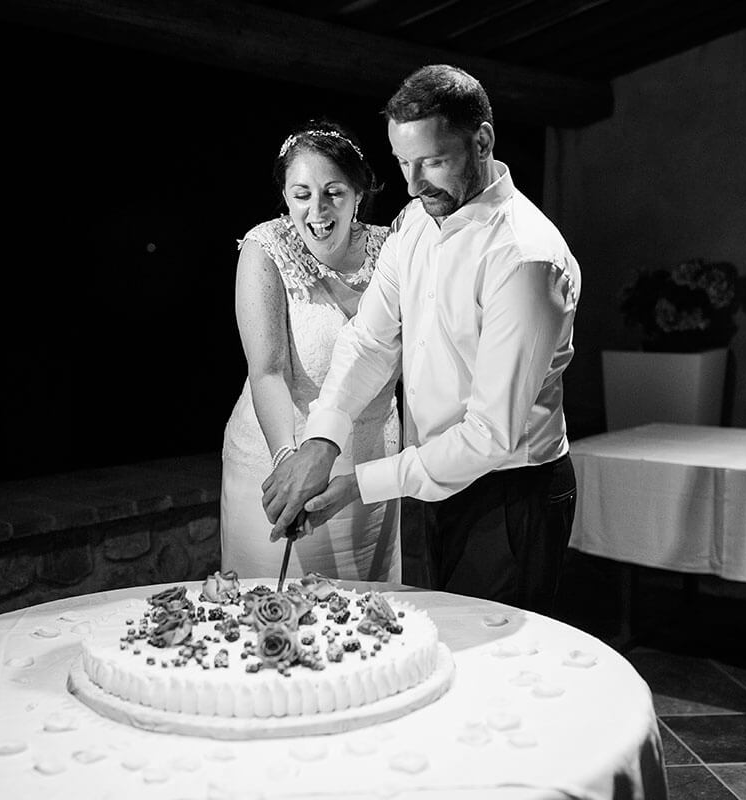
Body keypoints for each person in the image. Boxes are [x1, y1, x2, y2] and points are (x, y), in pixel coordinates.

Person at [261, 65, 581, 613]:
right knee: (437, 653)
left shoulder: (526, 257)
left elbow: (489, 435)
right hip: (427, 485)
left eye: (432, 161)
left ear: (482, 141)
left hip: (508, 496)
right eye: (403, 163)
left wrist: (359, 484)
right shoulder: (415, 222)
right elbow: (370, 340)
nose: (412, 184)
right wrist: (322, 440)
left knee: (498, 675)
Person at [221, 119, 402, 582]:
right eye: (301, 194)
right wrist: (289, 463)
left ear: (359, 193)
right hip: (280, 460)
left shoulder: (396, 252)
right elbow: (268, 371)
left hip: (368, 472)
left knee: (370, 622)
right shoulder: (265, 249)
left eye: (333, 193)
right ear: (285, 197)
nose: (317, 210)